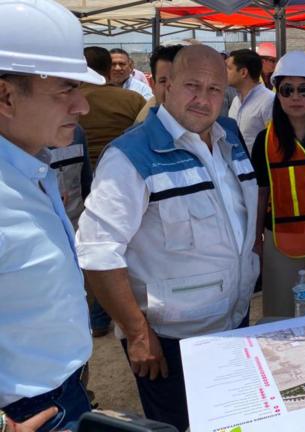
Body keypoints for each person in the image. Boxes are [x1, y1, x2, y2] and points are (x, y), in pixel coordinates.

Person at [76, 45, 260, 431]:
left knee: (231, 419)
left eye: (214, 89)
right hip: (171, 340)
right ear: (166, 86)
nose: (203, 98)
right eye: (192, 85)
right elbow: (96, 252)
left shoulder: (228, 134)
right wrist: (139, 333)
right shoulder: (131, 154)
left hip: (234, 322)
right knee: (180, 425)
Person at [0, 0, 104, 430]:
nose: (83, 107)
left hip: (64, 391)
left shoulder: (29, 166)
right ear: (5, 96)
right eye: (66, 89)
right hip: (27, 412)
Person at [251, 52, 305, 317]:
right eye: (287, 90)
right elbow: (260, 193)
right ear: (277, 94)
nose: (295, 97)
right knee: (281, 314)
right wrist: (256, 241)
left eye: (304, 90)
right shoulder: (264, 141)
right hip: (281, 244)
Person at [80, 47, 146, 167]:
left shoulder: (67, 100)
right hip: (124, 166)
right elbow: (148, 135)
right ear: (109, 69)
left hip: (77, 170)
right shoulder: (134, 99)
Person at [227, 49, 274, 151]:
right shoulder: (236, 101)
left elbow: (274, 142)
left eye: (229, 68)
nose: (224, 72)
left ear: (243, 72)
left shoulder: (269, 101)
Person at [135, 44, 184, 124]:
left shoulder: (209, 127)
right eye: (163, 81)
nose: (171, 88)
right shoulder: (139, 134)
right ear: (153, 85)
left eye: (181, 81)